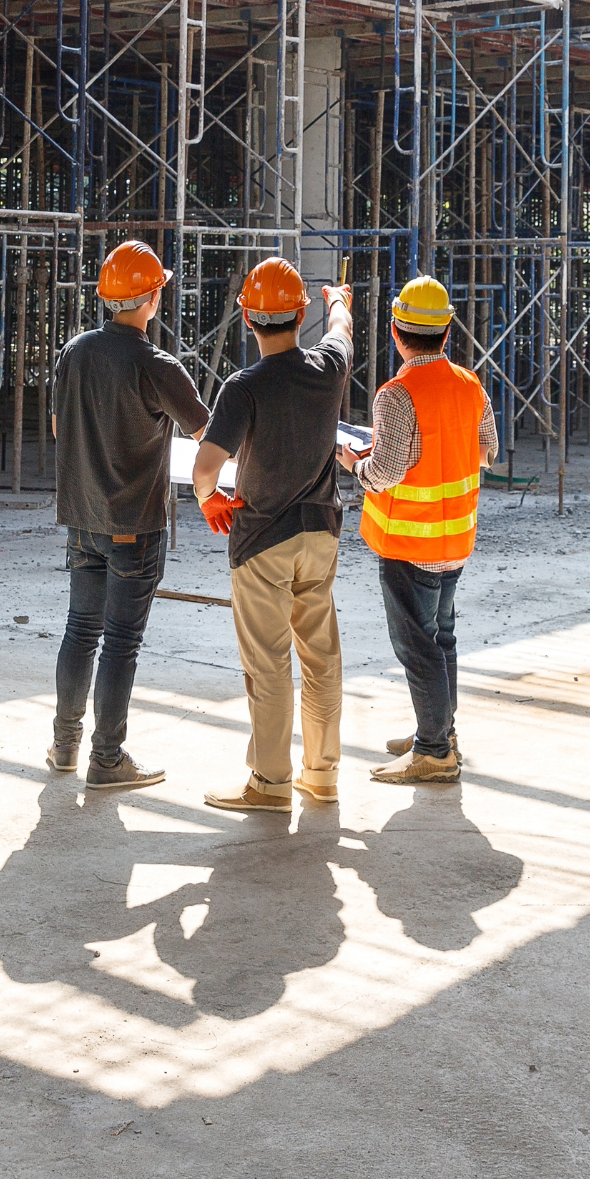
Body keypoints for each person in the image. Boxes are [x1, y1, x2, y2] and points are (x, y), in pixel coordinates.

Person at [192, 259, 353, 813]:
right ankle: (323, 775)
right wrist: (338, 300)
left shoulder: (244, 387)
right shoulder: (330, 366)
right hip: (321, 535)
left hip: (263, 540)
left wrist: (208, 498)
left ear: (247, 320)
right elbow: (342, 331)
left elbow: (206, 465)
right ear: (299, 313)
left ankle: (270, 783)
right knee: (321, 658)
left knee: (268, 664)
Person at [50, 239, 208, 790]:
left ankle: (65, 746)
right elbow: (208, 434)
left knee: (80, 630)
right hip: (133, 527)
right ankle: (107, 760)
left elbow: (57, 428)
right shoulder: (155, 364)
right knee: (120, 642)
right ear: (151, 297)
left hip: (81, 518)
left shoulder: (75, 352)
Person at [338, 274, 497, 784]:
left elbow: (384, 475)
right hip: (456, 539)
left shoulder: (396, 393)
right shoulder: (470, 384)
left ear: (395, 331)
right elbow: (486, 449)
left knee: (417, 645)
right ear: (447, 332)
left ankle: (433, 752)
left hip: (411, 542)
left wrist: (353, 463)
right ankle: (441, 731)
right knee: (442, 638)